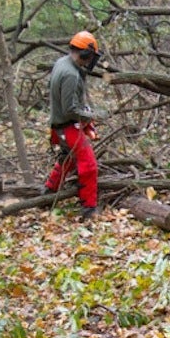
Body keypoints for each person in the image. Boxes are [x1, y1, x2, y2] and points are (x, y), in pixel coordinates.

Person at [45, 30, 102, 220]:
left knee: (69, 158)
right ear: (85, 54)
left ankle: (48, 191)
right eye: (90, 56)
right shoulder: (71, 75)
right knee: (89, 165)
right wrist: (90, 115)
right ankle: (89, 208)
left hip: (59, 125)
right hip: (67, 125)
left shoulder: (62, 62)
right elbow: (70, 109)